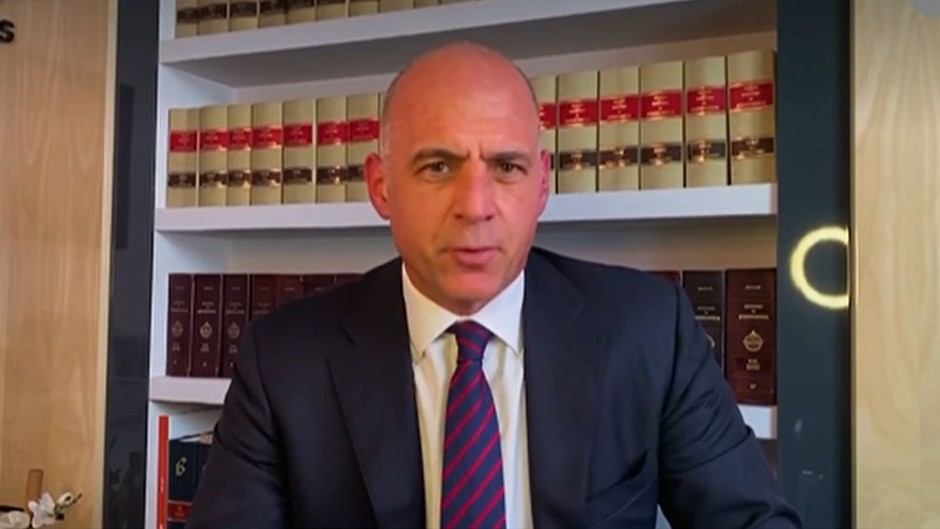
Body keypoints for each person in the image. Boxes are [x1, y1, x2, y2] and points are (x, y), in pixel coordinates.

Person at [185, 42, 801, 529]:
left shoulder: (649, 330)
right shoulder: (283, 360)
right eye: (438, 166)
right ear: (381, 187)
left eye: (506, 167)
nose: (475, 206)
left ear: (542, 185)